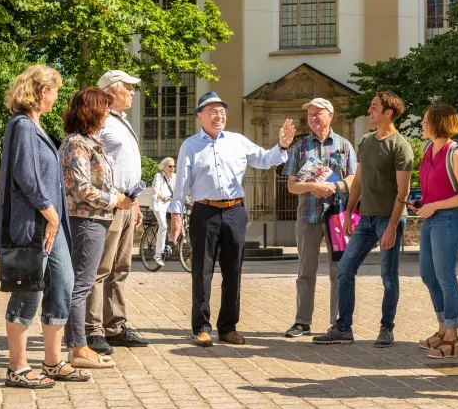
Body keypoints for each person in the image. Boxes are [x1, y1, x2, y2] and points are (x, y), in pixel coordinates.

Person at [169, 92, 296, 347]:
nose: (219, 116)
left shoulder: (237, 141)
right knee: (202, 271)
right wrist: (175, 214)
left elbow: (265, 159)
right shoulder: (191, 145)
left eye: (222, 111)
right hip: (204, 213)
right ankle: (201, 328)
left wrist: (281, 146)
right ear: (200, 116)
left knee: (233, 271)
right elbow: (181, 183)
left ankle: (228, 327)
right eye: (213, 111)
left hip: (235, 211)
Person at [0, 65, 83, 388]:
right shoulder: (21, 126)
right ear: (41, 91)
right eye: (55, 90)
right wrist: (51, 214)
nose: (57, 96)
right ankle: (17, 367)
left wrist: (54, 218)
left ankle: (52, 361)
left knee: (62, 283)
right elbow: (26, 177)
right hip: (33, 222)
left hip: (51, 222)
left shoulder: (36, 127)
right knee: (27, 289)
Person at [313, 92, 413, 348]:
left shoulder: (400, 146)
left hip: (388, 219)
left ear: (389, 112)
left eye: (374, 107)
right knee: (345, 269)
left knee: (388, 276)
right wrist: (348, 213)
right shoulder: (367, 141)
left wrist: (392, 226)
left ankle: (386, 328)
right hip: (366, 219)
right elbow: (357, 181)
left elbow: (403, 192)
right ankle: (343, 328)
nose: (369, 111)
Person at [281, 98, 357, 338]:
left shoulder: (344, 146)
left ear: (331, 115)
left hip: (337, 217)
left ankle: (339, 322)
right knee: (306, 270)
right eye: (310, 114)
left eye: (317, 113)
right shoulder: (299, 147)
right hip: (308, 215)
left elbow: (355, 179)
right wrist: (313, 187)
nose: (312, 118)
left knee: (339, 270)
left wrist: (335, 187)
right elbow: (292, 186)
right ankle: (302, 322)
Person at [86, 70, 149, 355]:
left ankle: (115, 325)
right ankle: (92, 328)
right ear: (112, 91)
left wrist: (134, 201)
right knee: (100, 268)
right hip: (109, 203)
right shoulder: (100, 122)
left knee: (120, 267)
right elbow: (91, 162)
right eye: (128, 88)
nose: (133, 93)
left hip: (125, 202)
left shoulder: (120, 122)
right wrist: (113, 198)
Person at [59, 88, 120, 371]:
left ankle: (78, 345)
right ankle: (78, 348)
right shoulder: (78, 144)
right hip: (86, 220)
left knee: (81, 283)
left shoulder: (89, 142)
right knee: (81, 285)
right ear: (91, 110)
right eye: (104, 107)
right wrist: (114, 200)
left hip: (96, 219)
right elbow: (83, 188)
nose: (108, 112)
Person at [413, 104, 458, 359]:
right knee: (428, 275)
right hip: (431, 218)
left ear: (438, 122)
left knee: (445, 276)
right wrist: (422, 203)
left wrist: (435, 205)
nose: (422, 124)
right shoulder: (429, 149)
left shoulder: (455, 152)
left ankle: (452, 337)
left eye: (425, 120)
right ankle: (441, 329)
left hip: (448, 219)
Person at [151, 157, 177, 267]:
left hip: (170, 203)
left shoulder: (175, 177)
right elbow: (155, 190)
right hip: (159, 204)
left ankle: (176, 243)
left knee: (181, 217)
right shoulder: (158, 176)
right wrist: (162, 197)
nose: (172, 168)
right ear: (164, 167)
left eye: (174, 166)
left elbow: (178, 190)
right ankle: (158, 255)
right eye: (170, 166)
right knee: (163, 226)